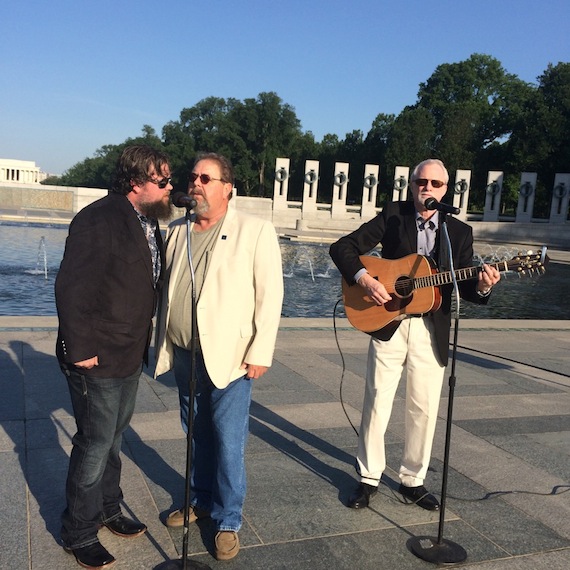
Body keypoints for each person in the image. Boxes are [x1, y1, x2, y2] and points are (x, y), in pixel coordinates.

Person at [329, 159, 501, 512]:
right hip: (389, 322)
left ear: (445, 190)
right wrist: (365, 278)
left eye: (435, 184)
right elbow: (342, 247)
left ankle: (412, 480)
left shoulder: (458, 233)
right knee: (377, 401)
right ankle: (368, 478)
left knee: (423, 407)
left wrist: (483, 287)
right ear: (411, 185)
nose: (428, 188)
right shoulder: (394, 216)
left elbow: (465, 287)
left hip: (431, 327)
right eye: (421, 182)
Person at [154, 152, 283, 561]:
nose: (196, 184)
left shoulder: (255, 230)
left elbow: (270, 295)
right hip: (186, 353)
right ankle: (200, 499)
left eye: (206, 178)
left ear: (228, 187)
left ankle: (228, 519)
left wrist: (261, 350)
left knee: (228, 440)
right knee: (196, 433)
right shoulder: (177, 231)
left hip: (230, 357)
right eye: (193, 177)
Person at [55, 145, 173, 569]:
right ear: (136, 182)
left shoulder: (146, 220)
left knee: (114, 437)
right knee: (94, 442)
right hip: (97, 356)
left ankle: (108, 506)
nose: (169, 187)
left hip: (127, 351)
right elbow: (72, 287)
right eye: (162, 181)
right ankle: (78, 531)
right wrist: (81, 349)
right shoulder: (97, 219)